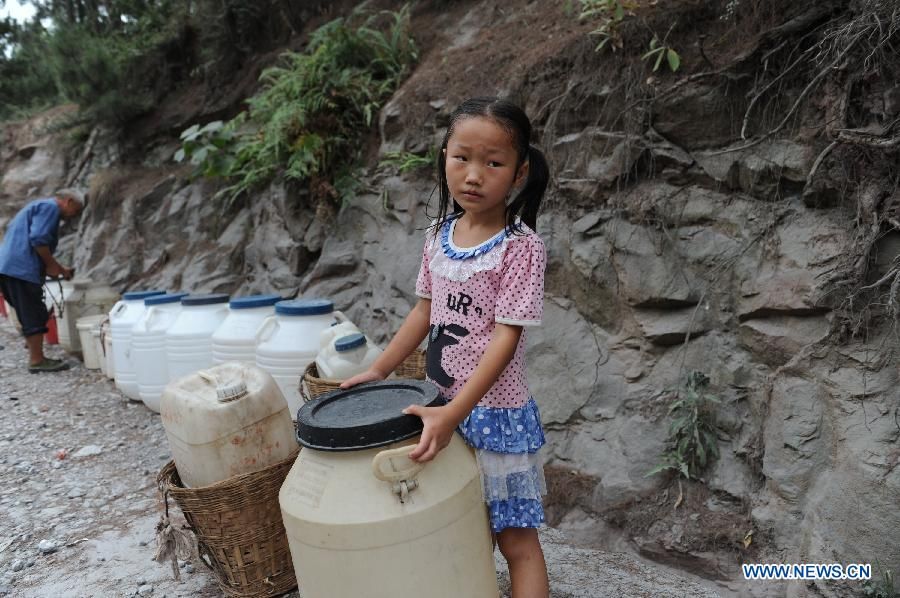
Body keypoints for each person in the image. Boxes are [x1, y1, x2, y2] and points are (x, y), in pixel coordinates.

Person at [342, 97, 551, 597]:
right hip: (442, 410)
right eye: (462, 158)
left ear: (519, 173)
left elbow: (506, 337)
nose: (474, 175)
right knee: (459, 525)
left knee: (515, 540)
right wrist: (379, 371)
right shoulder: (438, 235)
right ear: (444, 157)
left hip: (493, 417)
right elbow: (423, 312)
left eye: (493, 163)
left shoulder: (521, 248)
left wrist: (454, 412)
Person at [0, 188, 85, 372]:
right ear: (68, 201)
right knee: (33, 312)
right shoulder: (51, 208)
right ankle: (37, 360)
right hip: (21, 269)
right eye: (76, 210)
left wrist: (60, 268)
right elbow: (38, 239)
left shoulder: (37, 206)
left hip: (9, 267)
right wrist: (51, 266)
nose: (74, 215)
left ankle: (34, 349)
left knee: (28, 310)